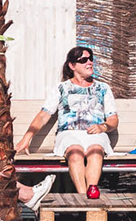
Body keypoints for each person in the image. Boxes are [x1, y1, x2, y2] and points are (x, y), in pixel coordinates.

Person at [17, 47, 119, 199]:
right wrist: (27, 138)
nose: (89, 62)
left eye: (90, 59)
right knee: (75, 152)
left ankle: (92, 193)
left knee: (96, 151)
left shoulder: (103, 88)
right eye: (83, 60)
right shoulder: (62, 88)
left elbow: (113, 119)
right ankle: (84, 198)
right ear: (72, 65)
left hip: (96, 133)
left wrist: (103, 126)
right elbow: (44, 115)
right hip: (68, 134)